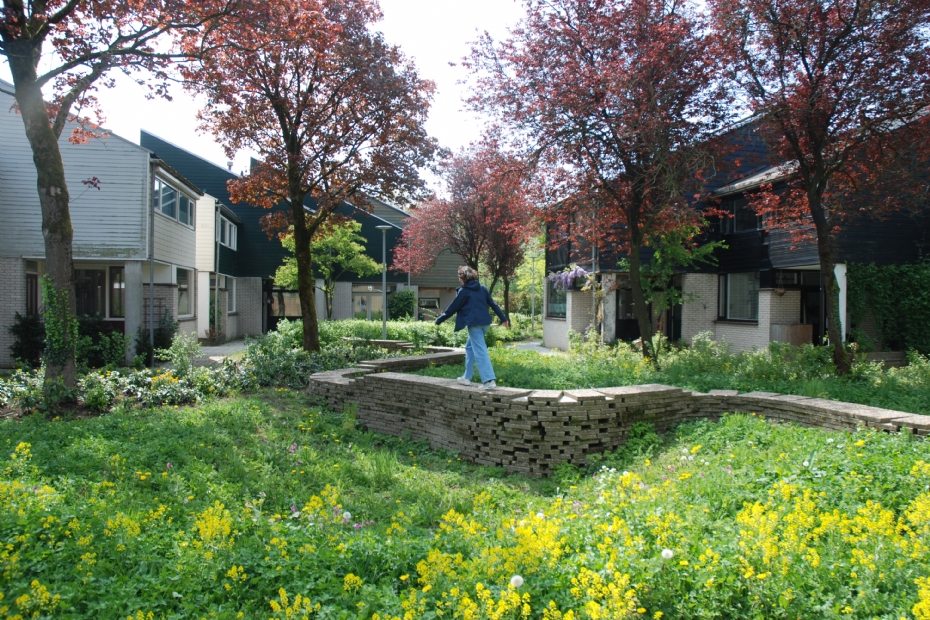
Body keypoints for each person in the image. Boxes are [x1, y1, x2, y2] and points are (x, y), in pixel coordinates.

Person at [434, 266, 509, 389]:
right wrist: (504, 319)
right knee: (470, 347)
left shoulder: (464, 291)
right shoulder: (482, 288)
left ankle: (489, 380)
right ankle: (467, 377)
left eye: (459, 277)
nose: (459, 279)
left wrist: (439, 319)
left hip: (474, 325)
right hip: (485, 324)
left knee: (480, 351)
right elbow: (493, 304)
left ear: (463, 277)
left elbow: (453, 308)